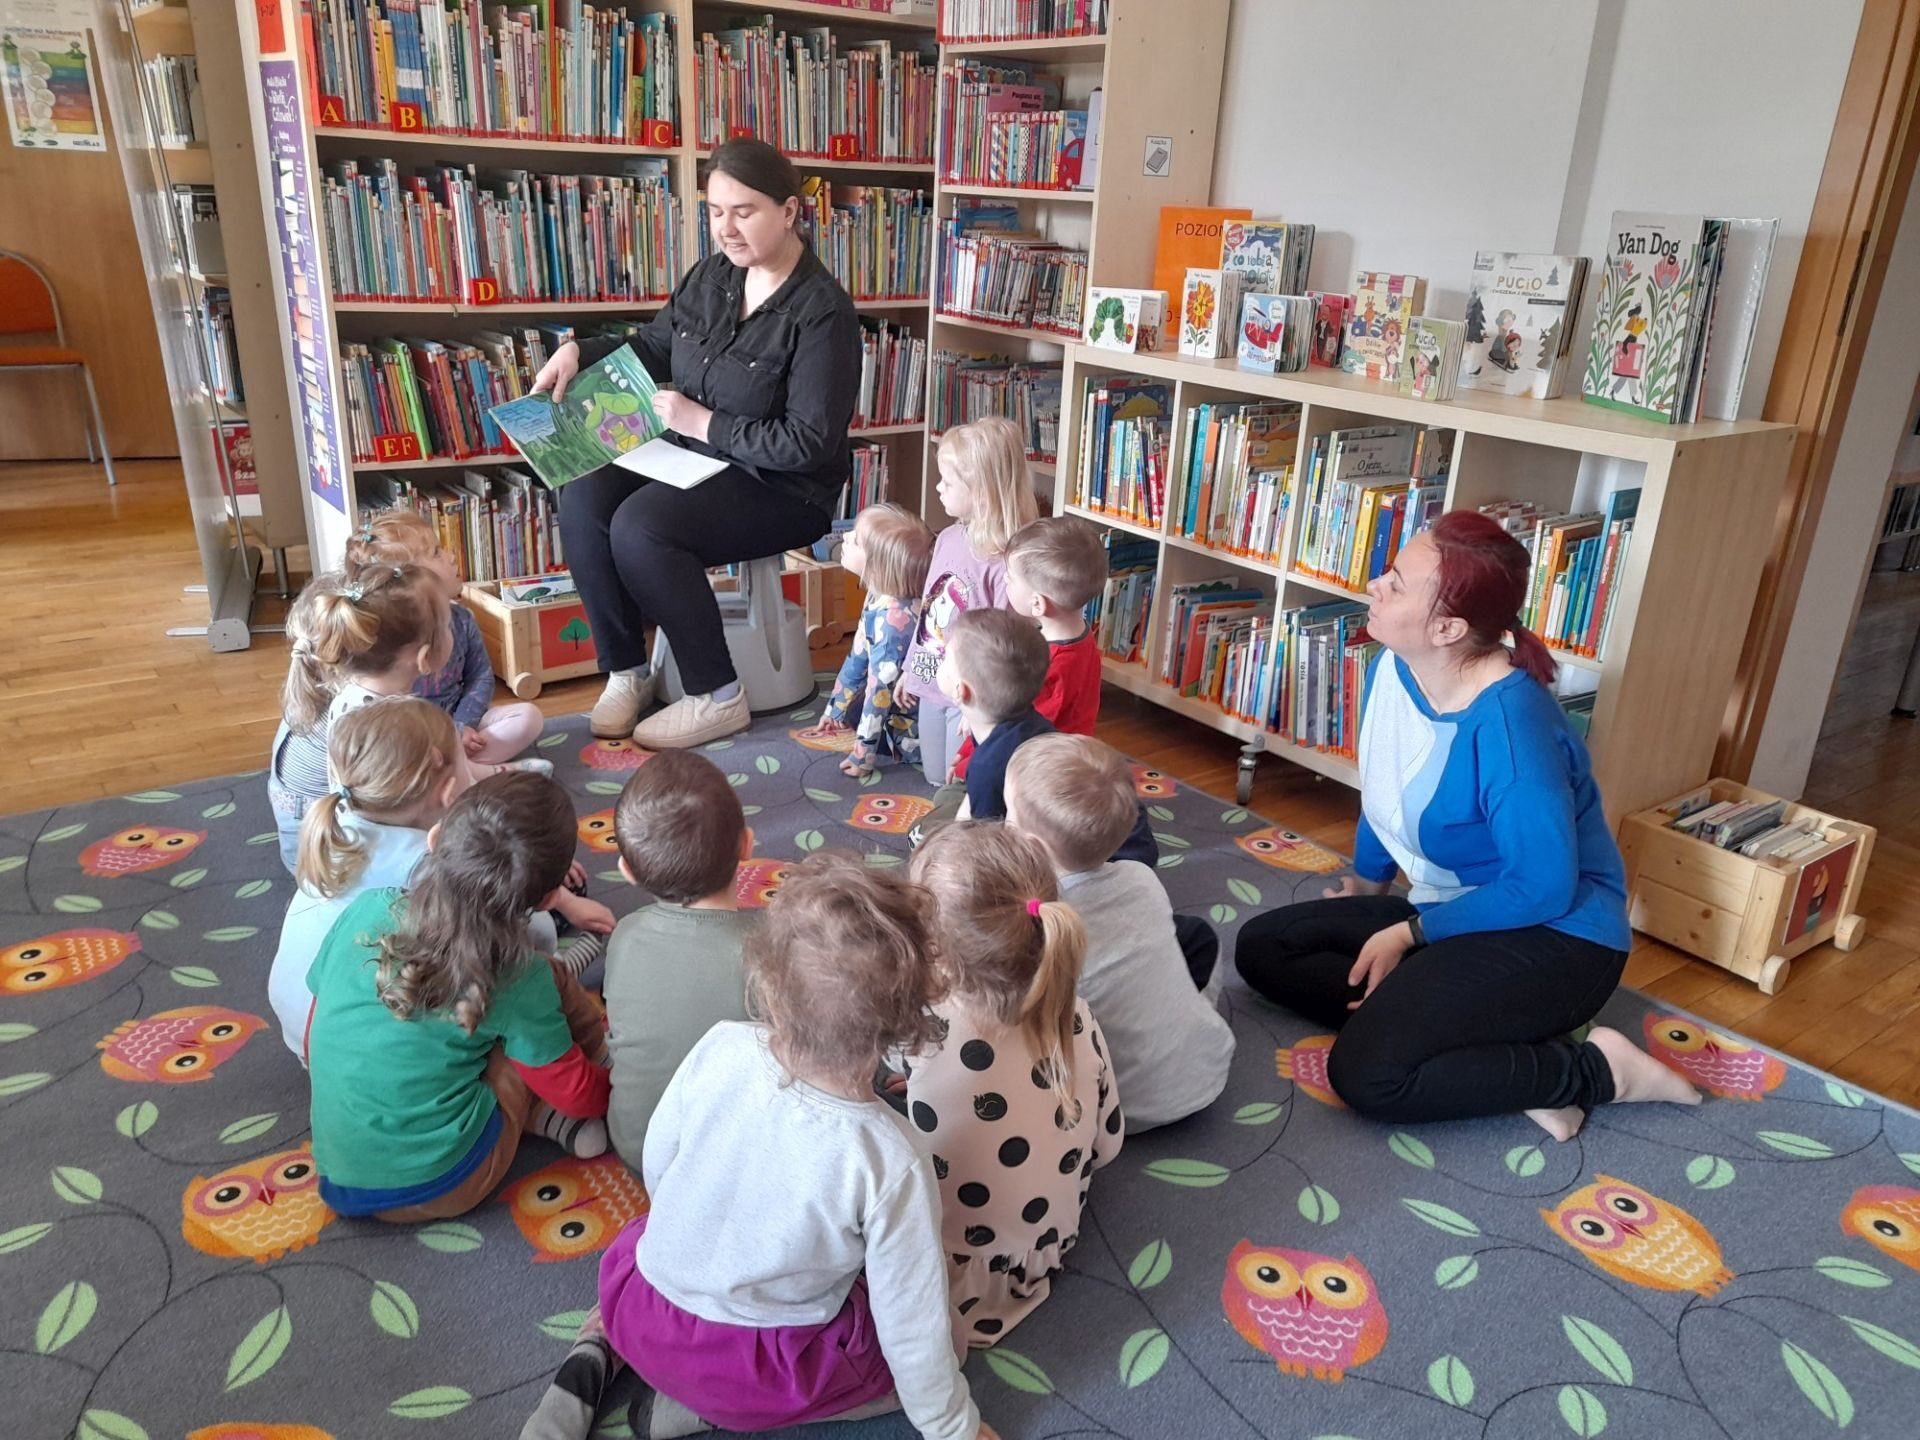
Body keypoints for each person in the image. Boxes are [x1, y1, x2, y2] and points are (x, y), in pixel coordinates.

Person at [1233, 510, 1700, 1140]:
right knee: (1265, 948)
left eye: (1396, 583)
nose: (1375, 585)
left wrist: (1412, 933)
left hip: (1559, 937)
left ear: (1448, 628)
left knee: (1367, 1074)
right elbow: (1387, 792)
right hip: (1455, 908)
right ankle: (1476, 1047)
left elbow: (1543, 888)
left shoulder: (1512, 728)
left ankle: (1594, 1072)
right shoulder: (1395, 666)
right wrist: (1368, 889)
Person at [520, 855, 995, 1440]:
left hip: (640, 1307)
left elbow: (661, 1168)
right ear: (906, 1025)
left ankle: (593, 1355)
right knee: (946, 1342)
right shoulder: (891, 1158)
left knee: (647, 1244)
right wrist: (953, 1427)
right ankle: (711, 1411)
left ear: (768, 980)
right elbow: (911, 1325)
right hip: (756, 1371)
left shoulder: (720, 1045)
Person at [531, 138, 859, 751]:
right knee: (584, 490)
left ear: (789, 211)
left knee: (642, 527)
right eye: (715, 211)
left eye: (744, 211)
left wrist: (704, 423)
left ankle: (717, 694)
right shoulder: (711, 276)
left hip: (784, 487)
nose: (726, 229)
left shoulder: (823, 314)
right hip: (697, 458)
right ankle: (627, 670)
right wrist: (581, 351)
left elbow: (809, 443)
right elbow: (657, 348)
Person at [305, 774, 612, 1222]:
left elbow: (316, 1033)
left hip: (339, 1176)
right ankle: (584, 1082)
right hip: (446, 1182)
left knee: (483, 1031)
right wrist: (617, 1093)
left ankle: (538, 1112)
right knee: (534, 1014)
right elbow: (578, 1094)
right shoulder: (519, 976)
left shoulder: (366, 909)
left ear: (434, 839)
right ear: (549, 898)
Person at [903, 823, 1122, 1349]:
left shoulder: (921, 1032)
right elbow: (1108, 1145)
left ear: (932, 949)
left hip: (944, 1262)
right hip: (1045, 1247)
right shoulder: (1075, 1015)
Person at [1006, 735, 1233, 1130]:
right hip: (1209, 1069)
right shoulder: (1141, 876)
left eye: (1008, 815)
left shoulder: (1039, 921)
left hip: (1113, 1109)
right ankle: (1179, 1030)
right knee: (1193, 936)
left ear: (1033, 846)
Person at [268, 696, 460, 1057]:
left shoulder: (335, 827)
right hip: (352, 1047)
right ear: (448, 791)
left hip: (302, 1023)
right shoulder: (423, 862)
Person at [602, 750, 755, 1169]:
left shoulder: (625, 935)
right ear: (747, 845)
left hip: (639, 1149)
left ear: (627, 871)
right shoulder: (771, 950)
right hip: (737, 1164)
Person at [266, 565, 451, 874]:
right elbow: (400, 808)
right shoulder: (382, 726)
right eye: (448, 625)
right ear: (424, 657)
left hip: (315, 841)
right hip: (333, 861)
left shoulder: (352, 689)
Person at [934, 608, 1156, 866]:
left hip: (1107, 863)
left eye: (945, 659)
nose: (941, 661)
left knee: (932, 835)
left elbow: (982, 849)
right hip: (1129, 841)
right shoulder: (1026, 722)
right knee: (948, 803)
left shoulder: (989, 766)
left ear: (961, 691)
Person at [346, 508, 548, 771]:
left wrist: (462, 724)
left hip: (463, 723)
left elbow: (480, 677)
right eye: (436, 553)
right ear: (411, 580)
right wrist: (441, 735)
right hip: (413, 737)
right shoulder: (392, 640)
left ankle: (456, 769)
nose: (451, 556)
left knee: (528, 718)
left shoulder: (463, 619)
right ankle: (475, 772)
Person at [897, 417, 1039, 788]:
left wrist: (983, 708)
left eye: (947, 482)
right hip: (934, 678)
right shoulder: (946, 538)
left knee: (959, 781)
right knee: (934, 776)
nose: (938, 488)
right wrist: (911, 669)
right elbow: (930, 613)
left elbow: (1006, 644)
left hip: (973, 696)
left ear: (981, 491)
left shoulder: (1005, 562)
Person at [951, 516, 1107, 782]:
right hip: (1058, 758)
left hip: (1042, 774)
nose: (1004, 579)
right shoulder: (1080, 637)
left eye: (1010, 578)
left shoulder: (1050, 667)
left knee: (951, 800)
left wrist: (968, 762)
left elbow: (1013, 735)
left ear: (1037, 604)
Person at [795, 502, 934, 777]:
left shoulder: (893, 626)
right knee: (853, 711)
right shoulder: (878, 594)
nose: (845, 537)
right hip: (889, 693)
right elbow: (857, 656)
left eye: (856, 541)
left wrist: (862, 755)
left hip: (913, 722)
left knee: (867, 711)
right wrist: (834, 710)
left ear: (877, 566)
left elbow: (880, 693)